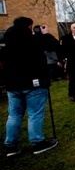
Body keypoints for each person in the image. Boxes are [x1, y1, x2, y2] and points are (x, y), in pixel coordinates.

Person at [3, 17, 58, 156]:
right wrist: (45, 34)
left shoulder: (7, 41)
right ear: (29, 26)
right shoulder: (32, 40)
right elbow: (54, 45)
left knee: (14, 115)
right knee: (35, 114)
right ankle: (37, 142)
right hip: (34, 83)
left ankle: (11, 145)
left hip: (13, 84)